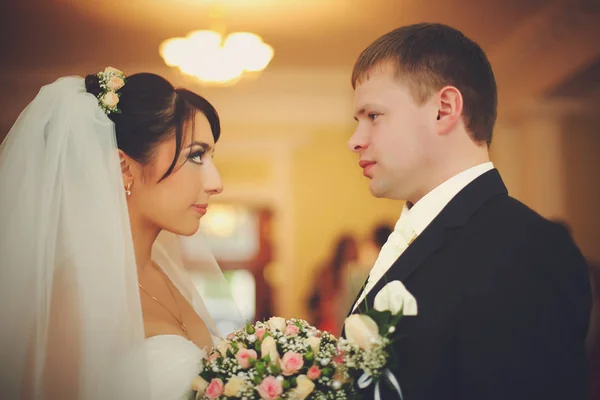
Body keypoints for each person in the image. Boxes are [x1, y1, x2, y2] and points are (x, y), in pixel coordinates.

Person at [347, 23, 592, 400]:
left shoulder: (526, 250)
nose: (355, 140)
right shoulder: (416, 233)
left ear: (444, 110)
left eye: (374, 116)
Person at [0, 68, 241, 399]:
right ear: (124, 168)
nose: (216, 183)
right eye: (196, 156)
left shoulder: (164, 273)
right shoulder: (71, 297)